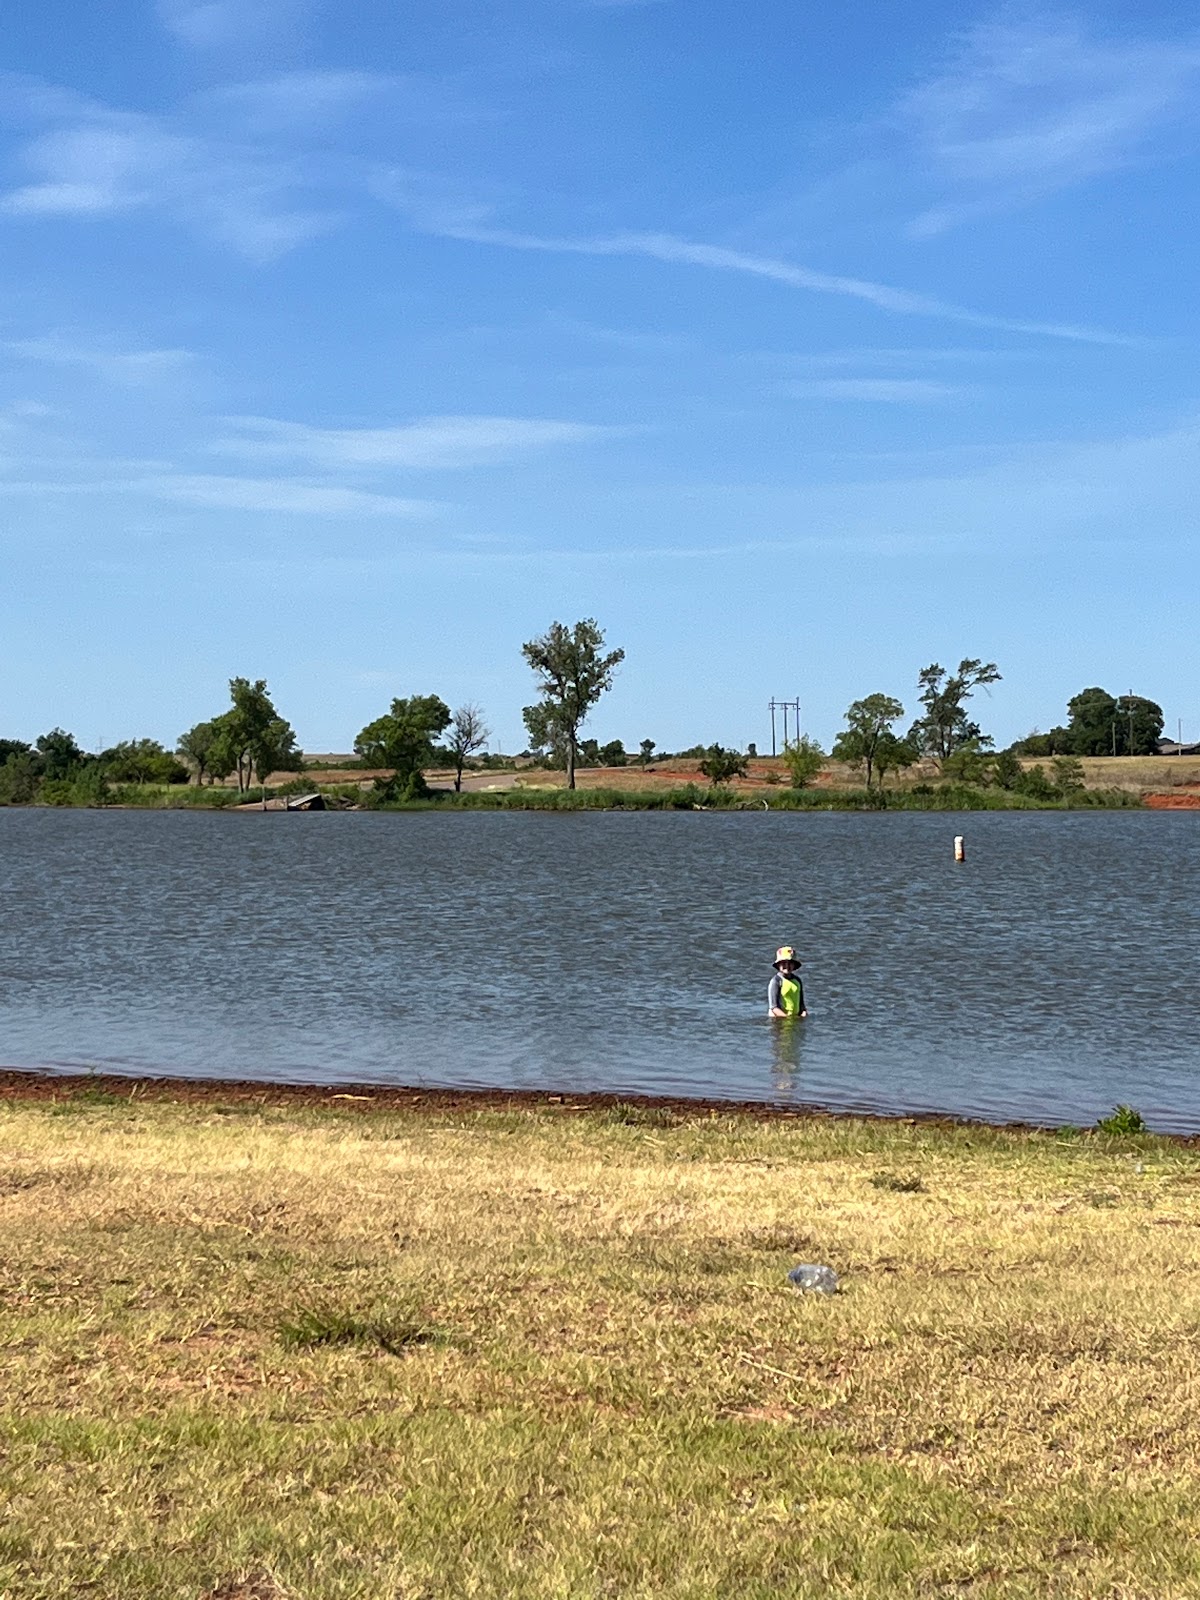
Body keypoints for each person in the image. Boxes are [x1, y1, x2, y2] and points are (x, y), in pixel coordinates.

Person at [768, 946, 807, 1018]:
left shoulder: (797, 980)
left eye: (790, 963)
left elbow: (801, 1003)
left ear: (794, 965)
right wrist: (787, 1018)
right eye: (783, 963)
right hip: (780, 1020)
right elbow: (774, 1007)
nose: (787, 966)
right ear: (778, 965)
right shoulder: (776, 981)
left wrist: (804, 1013)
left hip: (795, 1019)